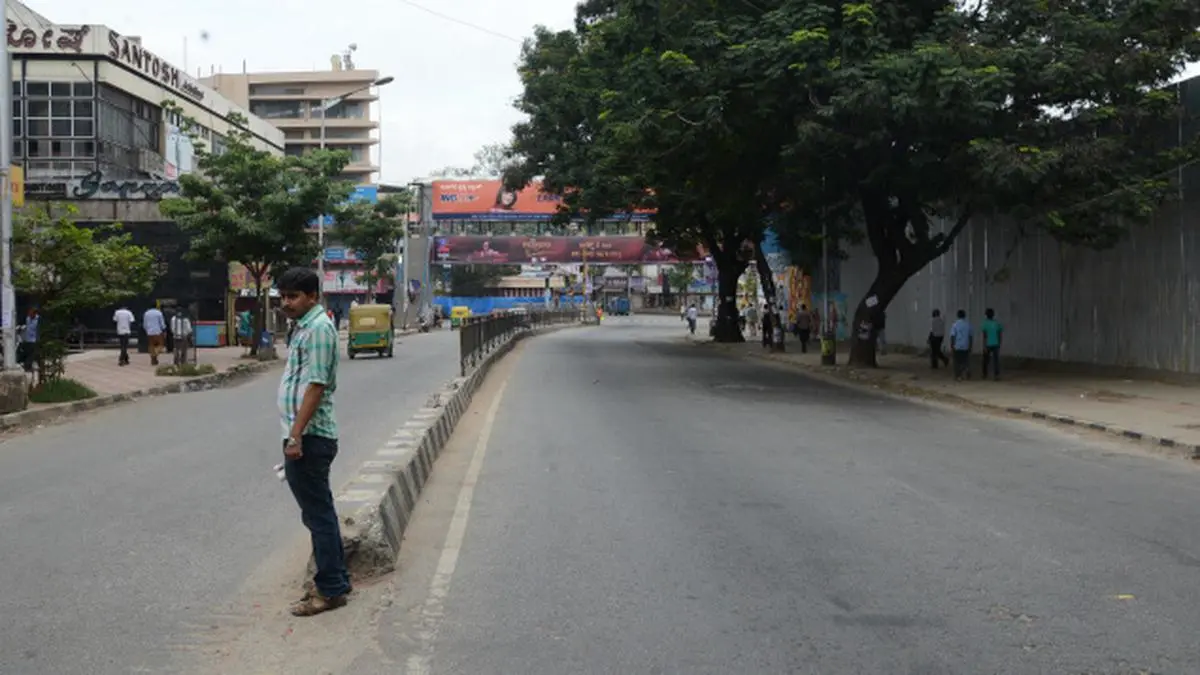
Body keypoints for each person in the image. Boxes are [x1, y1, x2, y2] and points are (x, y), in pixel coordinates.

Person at [276, 267, 351, 617]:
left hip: (310, 436)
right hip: (305, 435)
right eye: (283, 296)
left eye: (293, 296)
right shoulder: (304, 328)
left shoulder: (319, 329)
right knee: (319, 512)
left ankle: (331, 590)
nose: (286, 303)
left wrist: (295, 435)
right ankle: (336, 581)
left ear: (312, 297)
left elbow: (316, 385)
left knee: (318, 515)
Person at [980, 307, 1004, 380]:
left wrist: (984, 345)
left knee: (985, 360)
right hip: (996, 343)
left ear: (986, 315)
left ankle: (984, 374)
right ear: (993, 315)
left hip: (988, 344)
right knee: (996, 360)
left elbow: (984, 336)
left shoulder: (985, 324)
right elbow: (1000, 334)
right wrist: (999, 343)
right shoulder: (997, 323)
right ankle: (996, 375)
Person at [950, 309, 972, 381]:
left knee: (957, 362)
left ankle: (958, 376)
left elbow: (953, 336)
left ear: (958, 316)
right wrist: (970, 346)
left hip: (957, 346)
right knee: (965, 360)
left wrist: (952, 345)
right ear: (964, 316)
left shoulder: (955, 325)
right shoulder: (968, 324)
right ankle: (966, 370)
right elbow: (970, 336)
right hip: (966, 345)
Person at [20, 308, 39, 373]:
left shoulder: (38, 320)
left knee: (32, 354)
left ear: (35, 314)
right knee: (28, 354)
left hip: (34, 340)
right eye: (29, 314)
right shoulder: (28, 319)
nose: (30, 316)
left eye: (31, 314)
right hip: (27, 339)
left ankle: (28, 366)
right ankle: (27, 366)